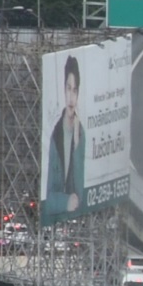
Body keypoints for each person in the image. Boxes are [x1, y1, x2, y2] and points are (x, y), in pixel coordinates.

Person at [46, 55, 85, 216]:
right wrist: (66, 202)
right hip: (60, 215)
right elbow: (47, 199)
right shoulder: (54, 137)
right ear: (63, 89)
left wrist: (76, 147)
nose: (71, 96)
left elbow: (81, 194)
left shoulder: (82, 135)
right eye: (68, 88)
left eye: (75, 90)